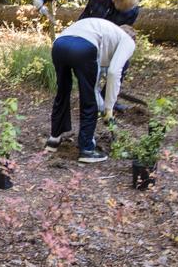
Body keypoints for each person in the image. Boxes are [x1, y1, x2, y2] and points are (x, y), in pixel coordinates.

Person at [45, 18, 136, 163]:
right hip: (83, 47)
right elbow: (113, 73)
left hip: (59, 44)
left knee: (63, 91)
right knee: (89, 98)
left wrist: (104, 104)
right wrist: (108, 108)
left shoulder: (105, 31)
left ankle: (54, 139)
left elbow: (103, 74)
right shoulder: (128, 41)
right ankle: (87, 149)